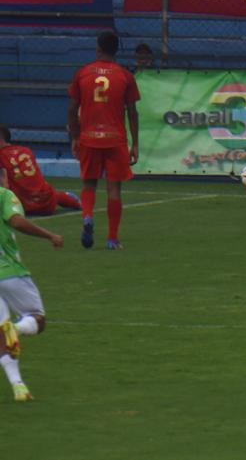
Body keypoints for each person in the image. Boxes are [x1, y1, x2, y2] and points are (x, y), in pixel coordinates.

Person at [68, 30, 141, 250]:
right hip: (115, 139)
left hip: (89, 138)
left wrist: (75, 137)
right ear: (116, 50)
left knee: (89, 182)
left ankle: (88, 216)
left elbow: (72, 109)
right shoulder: (125, 75)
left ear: (98, 48)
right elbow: (132, 111)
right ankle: (112, 238)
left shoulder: (83, 73)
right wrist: (135, 143)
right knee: (114, 188)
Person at [0, 186, 64, 402]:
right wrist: (49, 235)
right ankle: (16, 328)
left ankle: (18, 386)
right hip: (8, 272)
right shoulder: (3, 194)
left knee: (1, 333)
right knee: (38, 319)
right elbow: (16, 221)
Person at [0, 125, 81, 216]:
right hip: (47, 203)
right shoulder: (26, 150)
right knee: (54, 194)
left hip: (23, 207)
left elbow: (4, 186)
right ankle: (76, 202)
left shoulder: (1, 156)